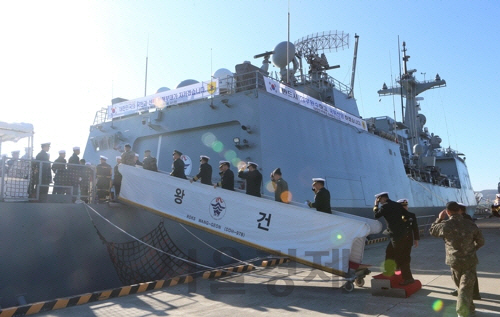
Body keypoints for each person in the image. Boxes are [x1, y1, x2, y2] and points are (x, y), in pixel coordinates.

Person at [430, 201, 485, 317]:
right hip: (469, 260)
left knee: (462, 287)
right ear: (460, 210)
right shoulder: (470, 224)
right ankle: (466, 310)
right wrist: (473, 249)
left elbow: (432, 231)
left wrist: (439, 219)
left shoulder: (444, 225)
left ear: (447, 212)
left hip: (454, 261)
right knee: (465, 287)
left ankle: (463, 311)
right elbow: (481, 241)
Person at [373, 192, 415, 285]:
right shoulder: (397, 205)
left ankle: (408, 278)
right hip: (401, 234)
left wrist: (375, 205)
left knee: (401, 257)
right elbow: (407, 215)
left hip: (396, 235)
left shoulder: (385, 207)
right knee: (389, 251)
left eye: (379, 200)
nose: (379, 202)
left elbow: (376, 215)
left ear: (383, 198)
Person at [447, 202, 481, 300]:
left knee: (469, 275)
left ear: (460, 210)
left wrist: (473, 248)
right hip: (463, 251)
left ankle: (474, 293)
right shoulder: (461, 219)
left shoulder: (466, 219)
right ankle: (461, 290)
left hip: (465, 252)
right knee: (464, 275)